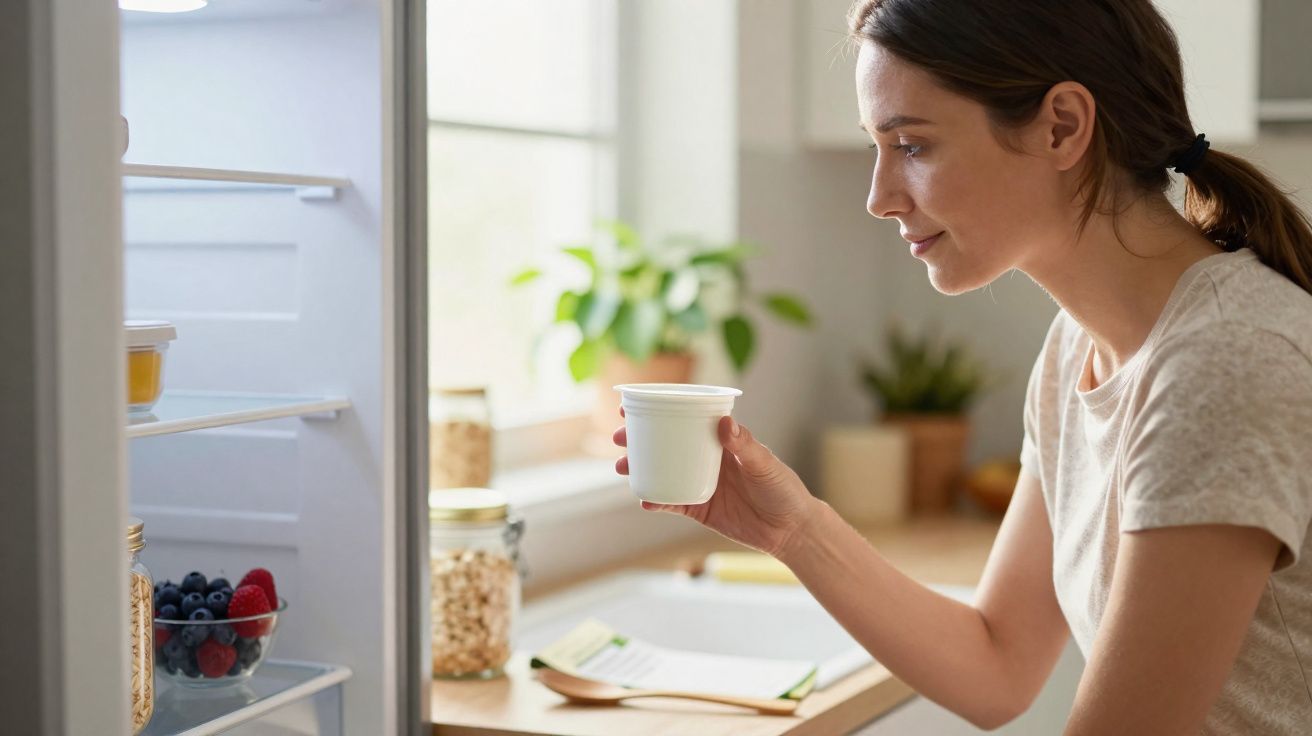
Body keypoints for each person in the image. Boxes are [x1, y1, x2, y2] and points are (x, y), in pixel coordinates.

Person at [613, 1, 1312, 733]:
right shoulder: (1077, 350)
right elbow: (998, 664)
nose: (879, 198)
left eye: (911, 145)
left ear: (1062, 126)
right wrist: (793, 531)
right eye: (878, 147)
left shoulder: (1225, 362)